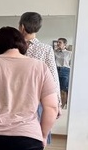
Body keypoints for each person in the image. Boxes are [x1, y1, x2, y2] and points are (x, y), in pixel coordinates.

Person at [18, 12, 59, 143]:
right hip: (37, 97)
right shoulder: (46, 49)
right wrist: (57, 102)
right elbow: (53, 76)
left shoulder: (13, 47)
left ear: (21, 27)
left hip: (15, 97)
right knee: (37, 136)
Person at [54, 37, 72, 108]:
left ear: (65, 44)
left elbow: (71, 64)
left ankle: (62, 107)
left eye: (60, 42)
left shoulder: (69, 53)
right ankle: (56, 106)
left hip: (65, 71)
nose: (58, 44)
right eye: (57, 42)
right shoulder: (54, 52)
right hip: (56, 70)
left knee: (63, 89)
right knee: (55, 89)